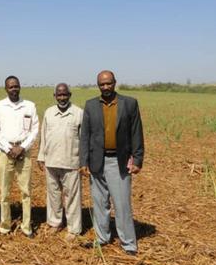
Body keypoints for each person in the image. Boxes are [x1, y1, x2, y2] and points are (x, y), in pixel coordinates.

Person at [79, 70, 144, 255]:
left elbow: (136, 133)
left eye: (109, 83)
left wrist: (138, 159)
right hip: (96, 161)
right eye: (102, 84)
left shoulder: (129, 104)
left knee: (122, 203)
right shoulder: (91, 105)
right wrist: (84, 161)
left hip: (119, 161)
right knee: (100, 203)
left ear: (115, 82)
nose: (105, 87)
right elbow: (85, 136)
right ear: (98, 85)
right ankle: (102, 238)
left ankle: (128, 243)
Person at [0, 75, 39, 238]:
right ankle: (5, 225)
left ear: (20, 87)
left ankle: (26, 227)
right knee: (4, 192)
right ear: (6, 89)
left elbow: (34, 130)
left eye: (16, 86)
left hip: (24, 153)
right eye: (10, 87)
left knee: (26, 191)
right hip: (5, 152)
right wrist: (9, 148)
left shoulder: (29, 106)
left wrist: (22, 147)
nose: (14, 89)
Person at [37, 83, 84, 239]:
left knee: (72, 196)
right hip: (51, 161)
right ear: (54, 96)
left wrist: (83, 162)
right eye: (59, 95)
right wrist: (41, 157)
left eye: (65, 95)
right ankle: (55, 223)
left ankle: (73, 229)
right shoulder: (49, 113)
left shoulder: (78, 113)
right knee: (53, 195)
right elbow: (43, 136)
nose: (62, 98)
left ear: (69, 95)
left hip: (71, 162)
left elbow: (84, 140)